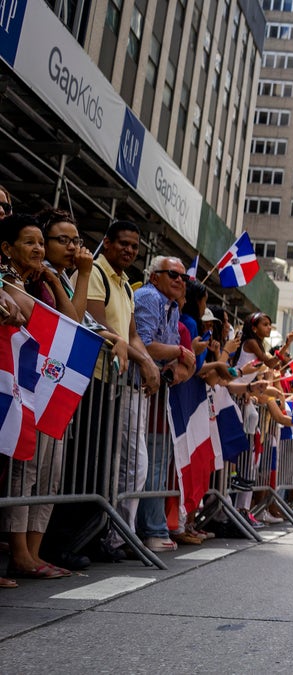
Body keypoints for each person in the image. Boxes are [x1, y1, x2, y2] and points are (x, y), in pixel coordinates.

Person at [0, 214, 72, 579]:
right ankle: (19, 553)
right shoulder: (8, 281)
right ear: (6, 248)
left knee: (48, 474)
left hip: (43, 387)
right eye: (29, 242)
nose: (38, 249)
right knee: (20, 470)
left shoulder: (42, 282)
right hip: (17, 387)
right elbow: (37, 318)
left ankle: (34, 552)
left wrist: (56, 282)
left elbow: (71, 324)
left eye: (41, 243)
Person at [86, 221, 160, 560]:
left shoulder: (127, 285)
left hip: (117, 384)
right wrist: (145, 361)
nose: (129, 250)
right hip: (93, 380)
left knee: (122, 465)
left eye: (134, 246)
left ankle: (113, 535)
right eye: (123, 244)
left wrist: (147, 361)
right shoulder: (96, 274)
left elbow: (132, 336)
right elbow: (98, 327)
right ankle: (98, 537)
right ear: (107, 242)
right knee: (95, 464)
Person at [131, 255, 195, 552]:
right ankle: (140, 532)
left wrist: (176, 360)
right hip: (134, 387)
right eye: (173, 274)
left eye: (184, 277)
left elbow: (166, 352)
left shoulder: (170, 306)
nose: (180, 280)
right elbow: (143, 343)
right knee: (138, 465)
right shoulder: (148, 296)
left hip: (153, 394)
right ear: (154, 276)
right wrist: (181, 352)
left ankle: (140, 531)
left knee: (148, 464)